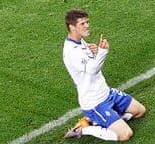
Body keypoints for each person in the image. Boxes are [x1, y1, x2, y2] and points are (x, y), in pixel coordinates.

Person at [63, 8, 146, 141]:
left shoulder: (80, 41)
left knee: (140, 111)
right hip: (95, 102)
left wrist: (93, 52)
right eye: (82, 24)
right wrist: (102, 52)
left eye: (87, 22)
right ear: (72, 27)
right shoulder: (72, 52)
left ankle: (103, 121)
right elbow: (92, 69)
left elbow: (87, 60)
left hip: (106, 93)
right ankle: (83, 129)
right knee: (125, 135)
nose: (87, 26)